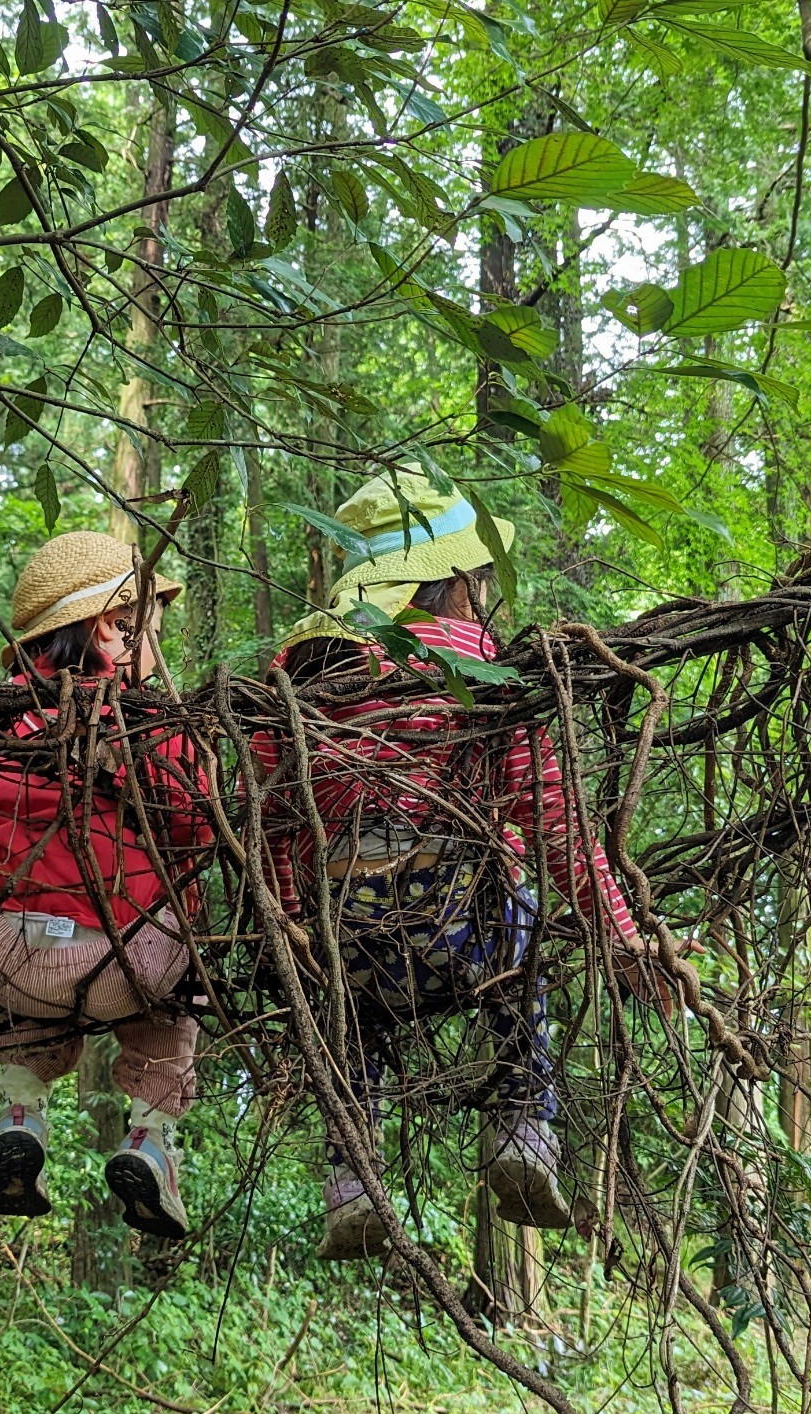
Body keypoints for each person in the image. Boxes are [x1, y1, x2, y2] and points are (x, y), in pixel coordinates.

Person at [253, 474, 669, 1262]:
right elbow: (555, 825)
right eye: (480, 582)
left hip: (346, 942)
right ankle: (521, 1124)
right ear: (453, 584)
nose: (485, 598)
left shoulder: (302, 684)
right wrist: (621, 934)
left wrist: (289, 917)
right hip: (462, 927)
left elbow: (271, 819)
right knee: (522, 918)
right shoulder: (481, 677)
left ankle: (352, 1181)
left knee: (349, 1022)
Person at [0, 531, 210, 1240]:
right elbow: (200, 826)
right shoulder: (155, 724)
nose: (155, 640)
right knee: (188, 934)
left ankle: (21, 1113)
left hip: (6, 957)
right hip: (124, 960)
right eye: (148, 624)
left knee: (13, 926)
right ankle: (151, 1133)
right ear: (109, 628)